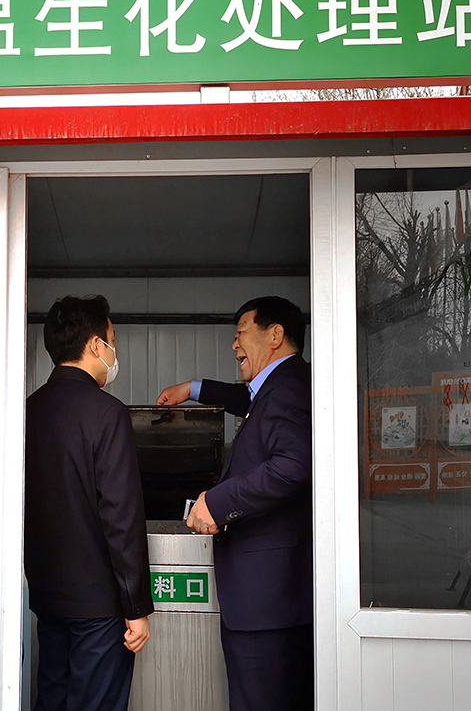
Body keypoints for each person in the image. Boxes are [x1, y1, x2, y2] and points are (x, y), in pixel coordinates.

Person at [158, 295, 312, 711]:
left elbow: (293, 465)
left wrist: (218, 502)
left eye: (241, 333)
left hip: (268, 601)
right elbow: (249, 401)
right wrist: (192, 388)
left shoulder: (287, 390)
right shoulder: (284, 384)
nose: (234, 344)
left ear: (275, 335)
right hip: (273, 599)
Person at [26, 295, 153, 711]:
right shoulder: (107, 412)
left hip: (48, 598)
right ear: (97, 345)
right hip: (99, 605)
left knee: (53, 698)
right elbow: (121, 515)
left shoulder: (27, 411)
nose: (114, 352)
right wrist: (136, 606)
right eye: (113, 340)